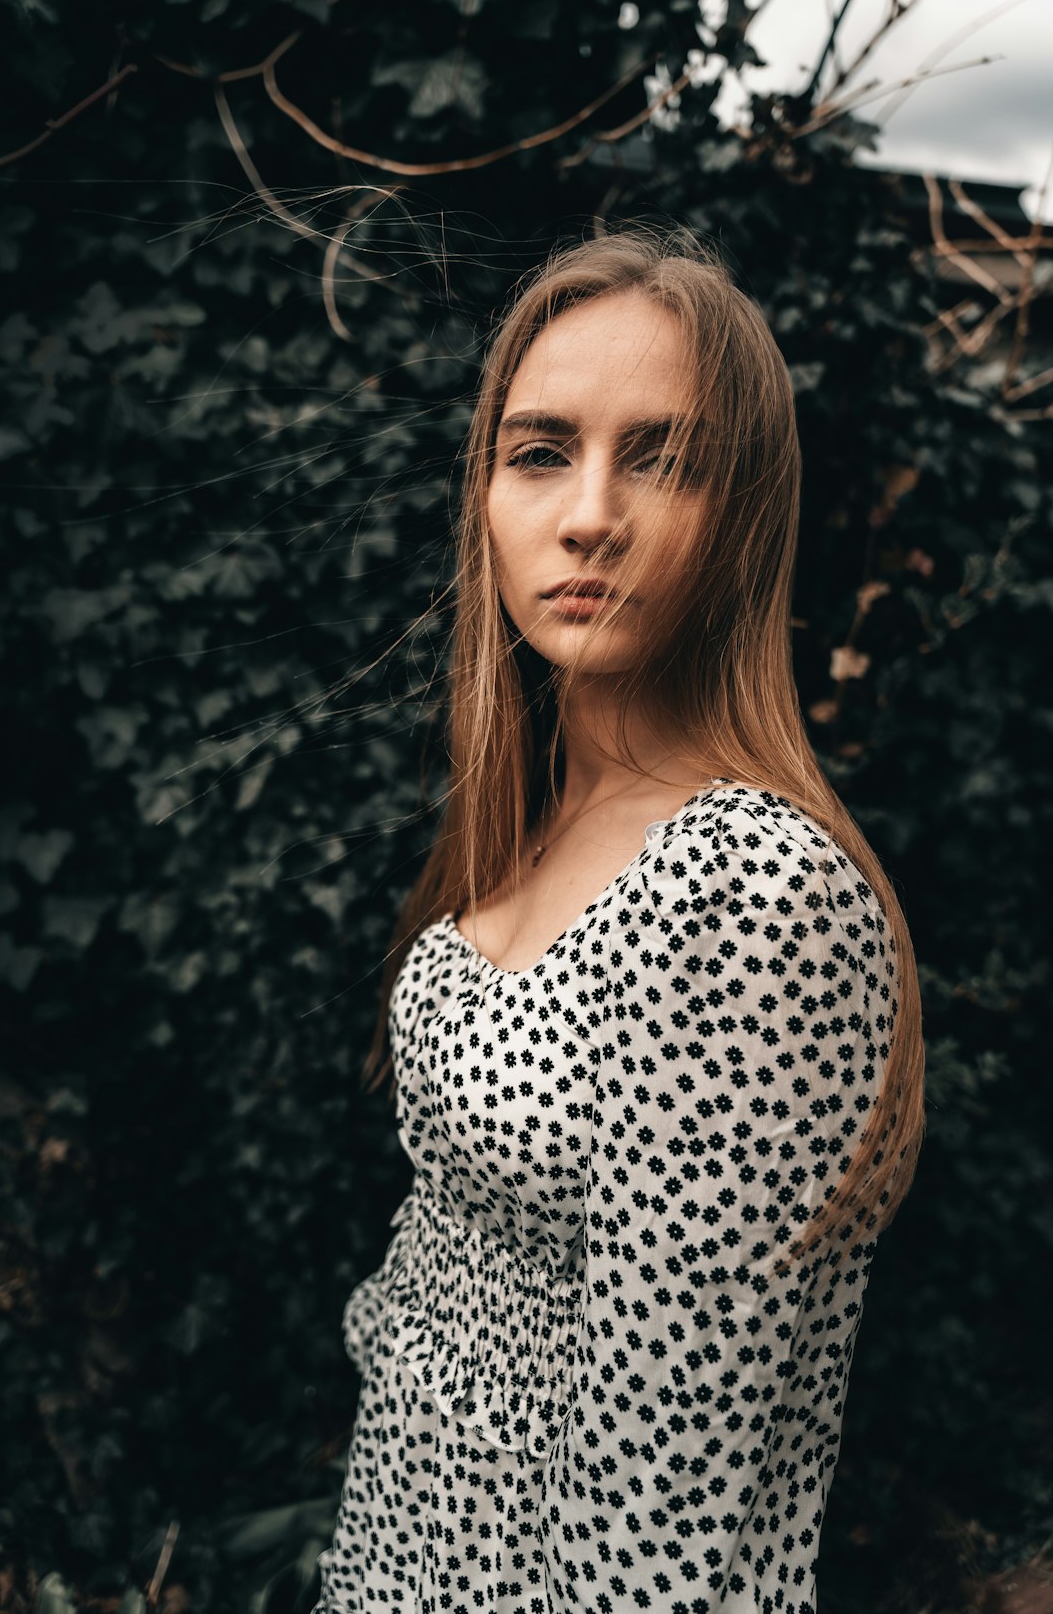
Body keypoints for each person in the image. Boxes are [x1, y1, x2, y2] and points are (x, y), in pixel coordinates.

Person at [311, 226, 926, 1614]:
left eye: (663, 458)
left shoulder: (753, 893)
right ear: (485, 495)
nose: (591, 512)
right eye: (540, 452)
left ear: (746, 514)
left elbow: (665, 1491)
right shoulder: (533, 821)